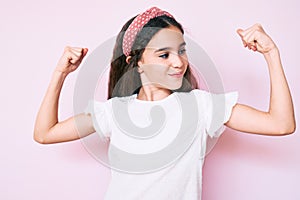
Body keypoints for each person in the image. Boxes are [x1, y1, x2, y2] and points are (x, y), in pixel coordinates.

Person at [34, 6, 296, 200]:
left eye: (181, 50)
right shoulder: (114, 111)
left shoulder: (201, 106)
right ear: (136, 62)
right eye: (164, 54)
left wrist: (272, 55)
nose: (178, 62)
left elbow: (281, 124)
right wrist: (60, 74)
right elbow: (45, 134)